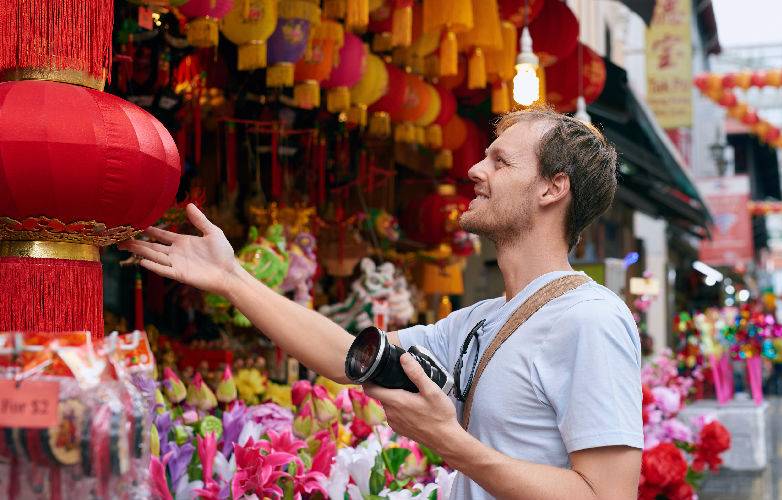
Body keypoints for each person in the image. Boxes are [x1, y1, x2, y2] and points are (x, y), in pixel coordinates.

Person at [120, 107, 643, 499]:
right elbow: (349, 354)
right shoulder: (482, 320)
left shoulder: (589, 318)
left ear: (553, 189)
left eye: (500, 161)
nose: (474, 172)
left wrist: (450, 442)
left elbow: (606, 494)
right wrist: (232, 280)